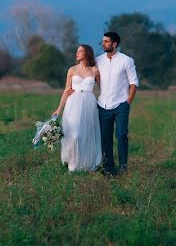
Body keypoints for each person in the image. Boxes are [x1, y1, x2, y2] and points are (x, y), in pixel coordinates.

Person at [52, 44, 102, 172]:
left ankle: (86, 163)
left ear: (87, 53)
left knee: (86, 134)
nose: (77, 53)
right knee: (74, 134)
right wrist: (59, 109)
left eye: (80, 51)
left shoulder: (95, 70)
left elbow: (104, 89)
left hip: (89, 104)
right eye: (77, 51)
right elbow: (66, 91)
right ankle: (72, 163)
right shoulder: (72, 70)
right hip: (73, 104)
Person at [94, 31, 138, 175]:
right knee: (105, 138)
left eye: (106, 42)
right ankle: (109, 169)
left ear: (114, 44)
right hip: (103, 104)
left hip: (121, 105)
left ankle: (123, 166)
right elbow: (92, 77)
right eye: (103, 41)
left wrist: (127, 102)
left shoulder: (126, 60)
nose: (103, 44)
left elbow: (134, 83)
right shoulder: (98, 60)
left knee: (121, 135)